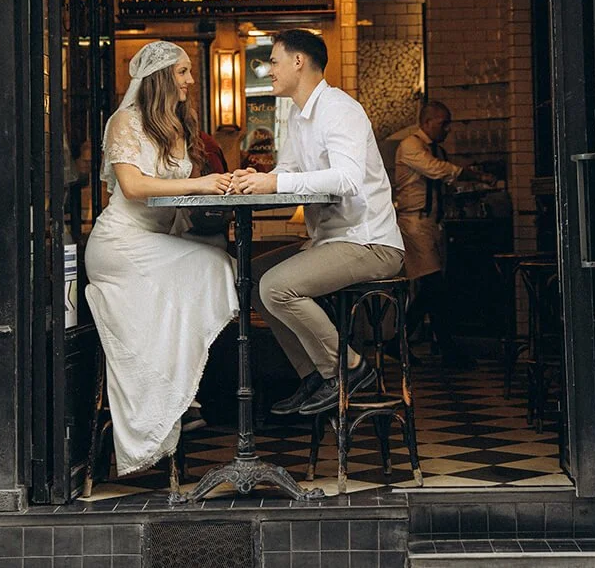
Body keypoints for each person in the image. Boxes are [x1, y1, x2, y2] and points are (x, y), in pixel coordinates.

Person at [229, 30, 406, 417]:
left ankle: (349, 368)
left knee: (277, 286)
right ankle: (315, 374)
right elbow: (289, 170)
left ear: (298, 61)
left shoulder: (339, 109)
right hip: (331, 240)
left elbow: (347, 179)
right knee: (257, 276)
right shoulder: (298, 112)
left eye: (273, 61)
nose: (268, 70)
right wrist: (249, 182)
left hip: (369, 242)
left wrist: (274, 182)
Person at [82, 41, 237, 475]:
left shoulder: (174, 125)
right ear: (163, 76)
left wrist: (231, 184)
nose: (191, 79)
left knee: (215, 261)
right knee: (214, 268)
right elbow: (132, 187)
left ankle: (181, 393)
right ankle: (181, 397)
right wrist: (202, 185)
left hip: (156, 243)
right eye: (184, 71)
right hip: (121, 245)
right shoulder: (124, 122)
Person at [393, 101, 490, 368]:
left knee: (431, 289)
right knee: (433, 285)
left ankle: (401, 343)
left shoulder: (437, 150)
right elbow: (434, 168)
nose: (448, 129)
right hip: (414, 224)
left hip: (433, 225)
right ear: (427, 122)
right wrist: (464, 171)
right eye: (443, 123)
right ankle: (447, 349)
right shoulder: (411, 146)